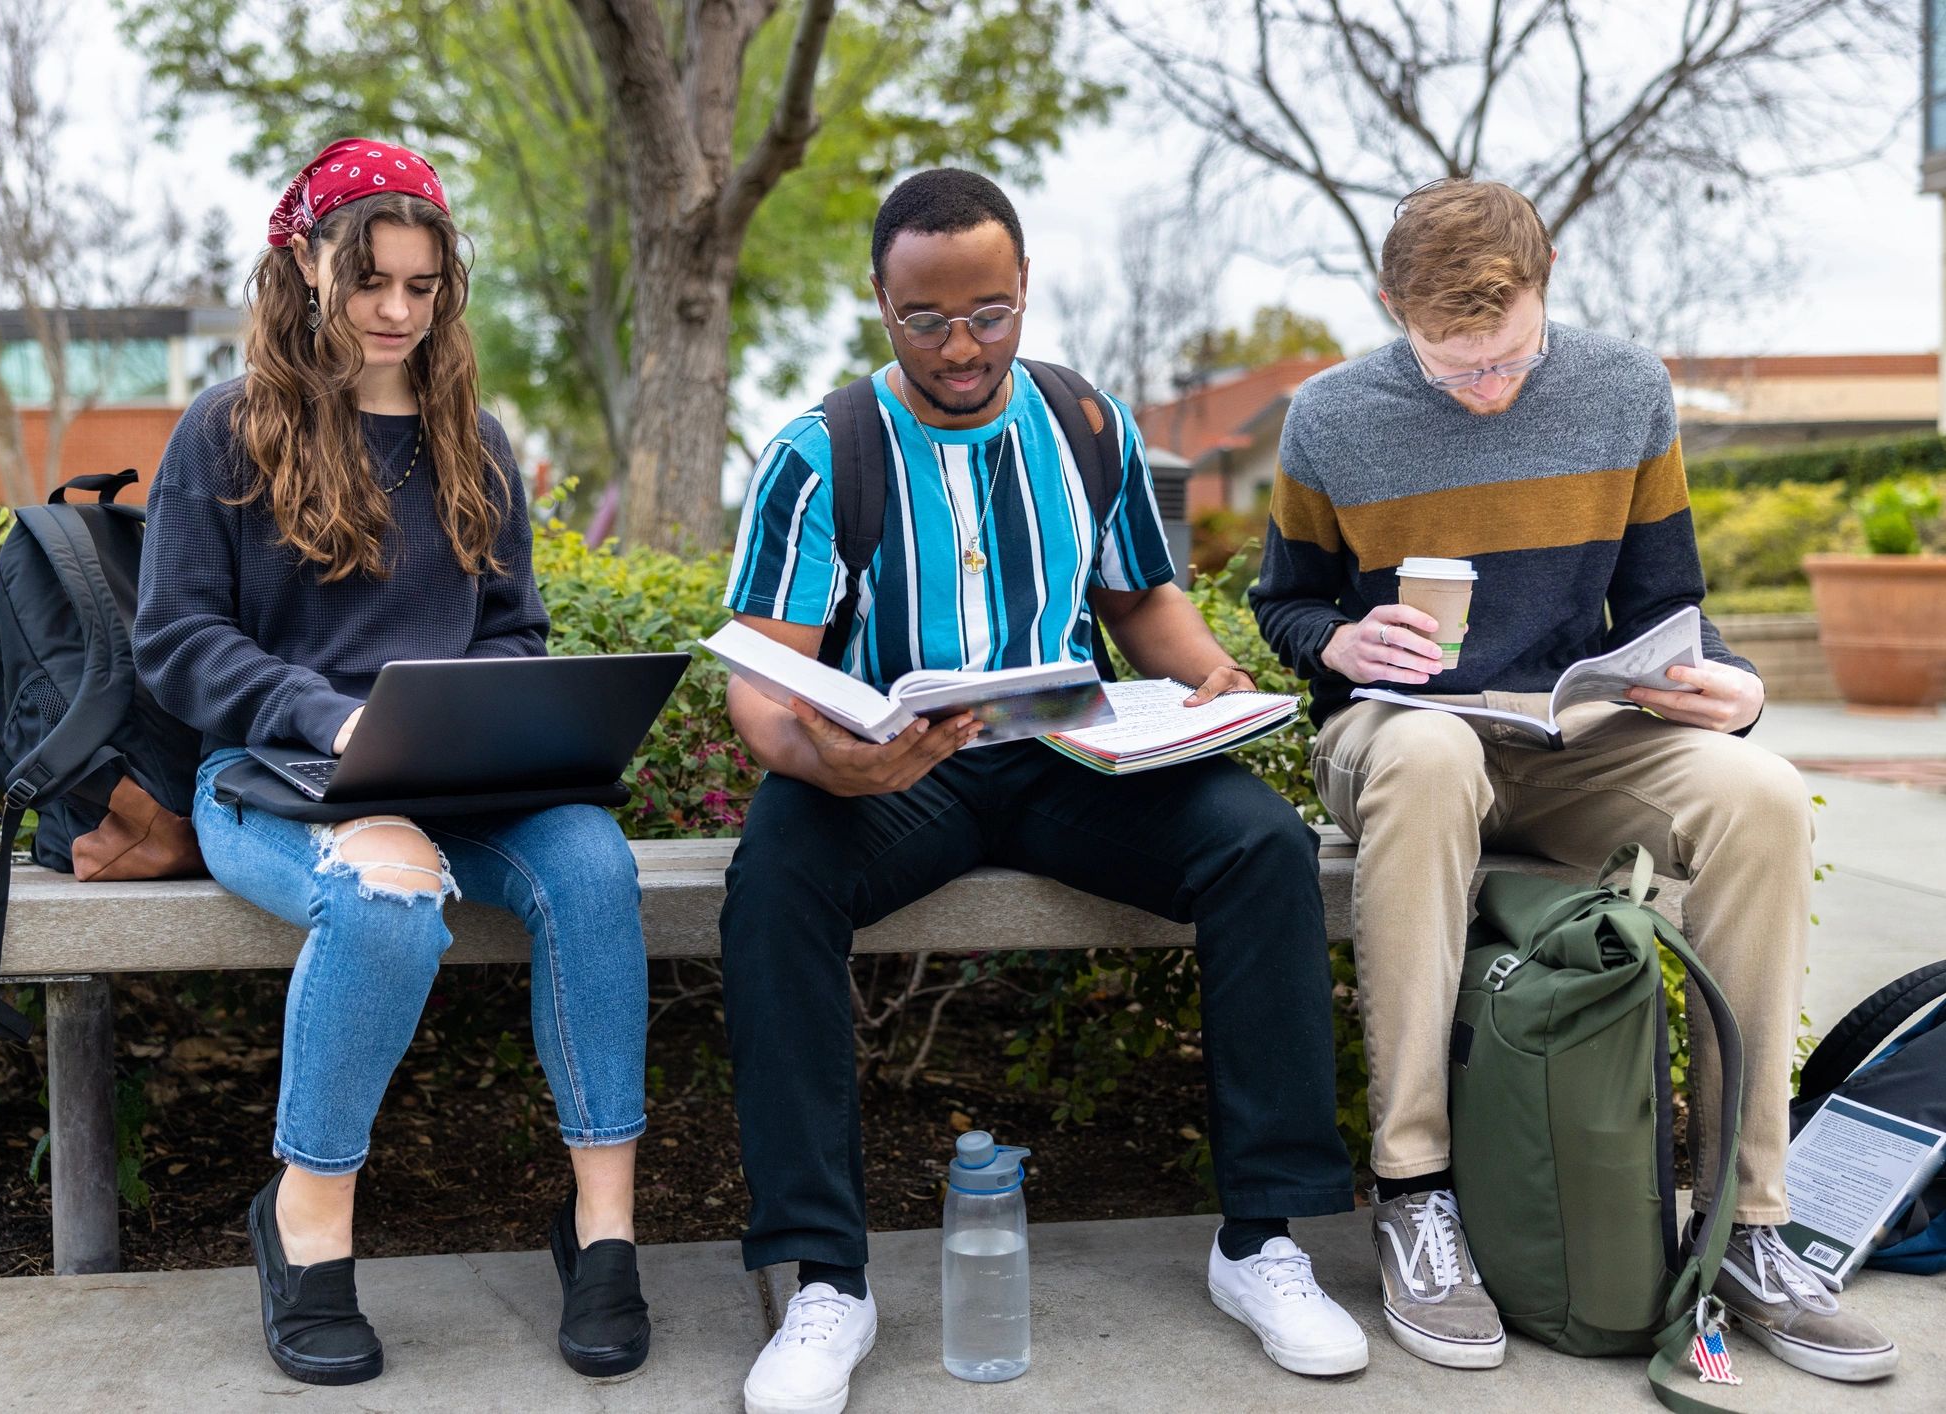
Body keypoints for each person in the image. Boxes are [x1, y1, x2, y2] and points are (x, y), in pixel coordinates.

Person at [718, 168, 1364, 1414]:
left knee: (1260, 846)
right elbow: (761, 674)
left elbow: (1136, 596)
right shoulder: (820, 453)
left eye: (990, 312)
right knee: (774, 883)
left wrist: (1210, 677)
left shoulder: (1084, 423)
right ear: (879, 303)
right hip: (893, 773)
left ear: (1023, 292)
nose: (962, 346)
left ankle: (1262, 1243)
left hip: (1068, 757)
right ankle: (824, 1280)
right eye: (927, 320)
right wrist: (822, 759)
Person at [1249, 178, 1897, 1381]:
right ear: (1389, 307)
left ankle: (1742, 1223)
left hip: (1569, 738)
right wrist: (1332, 641)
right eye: (1453, 368)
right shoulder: (1328, 418)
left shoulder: (1621, 389)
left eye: (1507, 356)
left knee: (1755, 793)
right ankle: (1413, 1191)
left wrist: (1734, 691)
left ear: (1546, 285)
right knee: (1435, 751)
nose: (1487, 387)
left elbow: (1666, 608)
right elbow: (1280, 599)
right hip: (1395, 742)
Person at [133, 139, 652, 1387]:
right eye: (372, 280)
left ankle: (602, 1232)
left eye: (423, 287)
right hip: (271, 777)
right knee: (390, 897)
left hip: (453, 777)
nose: (396, 312)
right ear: (307, 263)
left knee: (592, 866)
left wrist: (486, 714)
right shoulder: (226, 432)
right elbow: (177, 638)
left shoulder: (472, 440)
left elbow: (512, 629)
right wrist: (328, 716)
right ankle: (305, 1225)